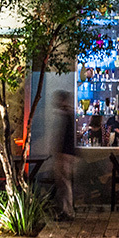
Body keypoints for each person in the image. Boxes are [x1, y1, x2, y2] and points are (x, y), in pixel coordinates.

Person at [53, 91, 76, 221]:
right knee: (64, 183)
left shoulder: (67, 116)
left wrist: (62, 154)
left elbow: (66, 138)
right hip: (66, 154)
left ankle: (67, 211)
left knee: (65, 183)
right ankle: (65, 210)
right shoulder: (68, 115)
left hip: (65, 155)